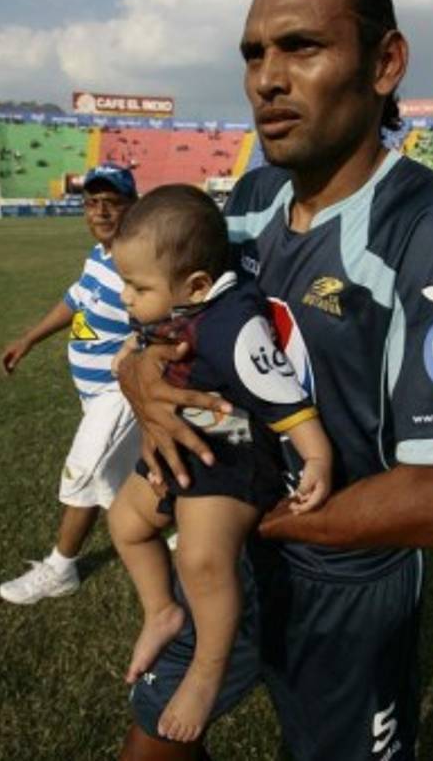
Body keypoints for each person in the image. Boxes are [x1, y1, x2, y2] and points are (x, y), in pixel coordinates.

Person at [116, 0, 433, 761]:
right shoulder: (251, 196)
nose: (266, 79)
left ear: (384, 63)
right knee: (154, 742)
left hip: (344, 583)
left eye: (301, 46)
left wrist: (259, 520)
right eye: (253, 54)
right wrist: (140, 370)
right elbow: (175, 308)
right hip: (226, 543)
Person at [108, 183, 332, 743]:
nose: (126, 298)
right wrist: (132, 354)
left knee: (202, 559)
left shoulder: (233, 324)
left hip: (232, 449)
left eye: (137, 287)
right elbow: (143, 346)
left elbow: (281, 392)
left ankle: (208, 668)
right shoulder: (175, 303)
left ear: (197, 285)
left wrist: (316, 453)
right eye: (124, 283)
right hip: (182, 442)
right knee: (125, 522)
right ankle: (162, 611)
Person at [0, 165, 139, 605]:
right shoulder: (99, 254)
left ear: (133, 207)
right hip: (92, 395)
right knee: (126, 473)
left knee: (86, 469)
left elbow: (164, 319)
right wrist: (29, 339)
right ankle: (182, 523)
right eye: (92, 203)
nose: (100, 212)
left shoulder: (138, 260)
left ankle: (61, 569)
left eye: (112, 203)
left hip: (120, 392)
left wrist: (136, 354)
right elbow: (77, 299)